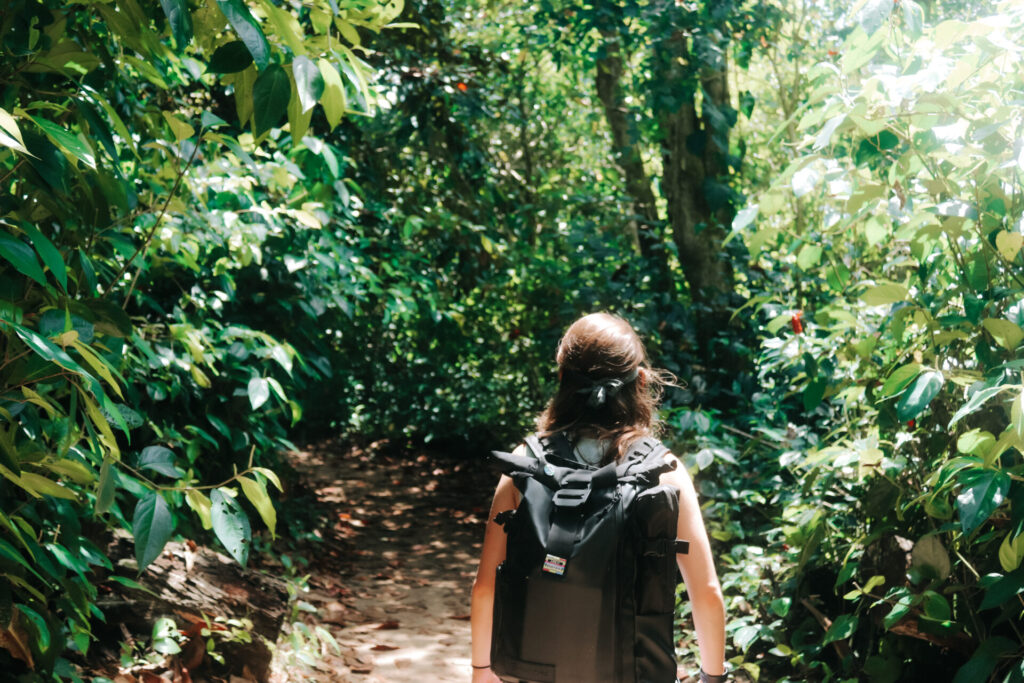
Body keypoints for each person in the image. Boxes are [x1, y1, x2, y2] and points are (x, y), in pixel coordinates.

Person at [469, 312, 727, 683]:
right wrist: (712, 677)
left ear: (562, 381)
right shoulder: (663, 470)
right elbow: (705, 592)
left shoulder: (526, 464)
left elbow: (485, 588)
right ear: (640, 381)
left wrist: (481, 671)